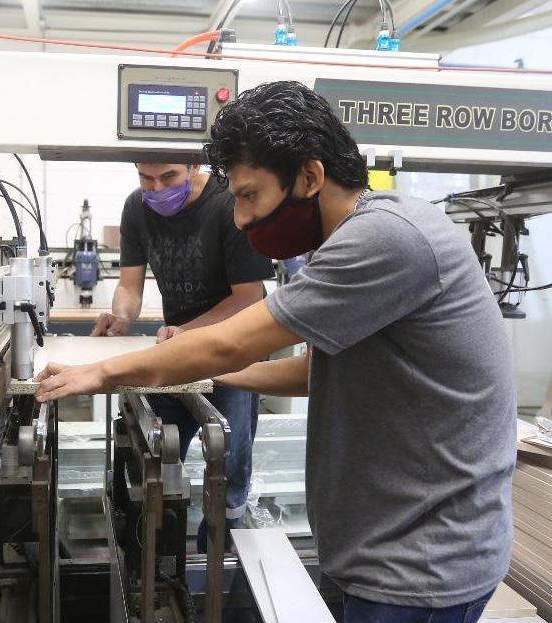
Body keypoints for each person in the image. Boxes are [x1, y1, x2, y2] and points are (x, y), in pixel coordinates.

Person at [38, 82, 515, 623]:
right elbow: (316, 371)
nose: (240, 218)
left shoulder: (386, 237)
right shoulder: (361, 232)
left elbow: (228, 340)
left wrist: (100, 373)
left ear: (309, 177)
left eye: (249, 196)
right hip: (384, 547)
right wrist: (219, 376)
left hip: (422, 566)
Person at [92, 162, 274, 552]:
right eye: (146, 178)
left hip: (234, 352)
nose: (156, 188)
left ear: (193, 166)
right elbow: (129, 286)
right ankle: (155, 557)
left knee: (229, 465)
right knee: (153, 454)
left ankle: (218, 558)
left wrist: (188, 332)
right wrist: (121, 314)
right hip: (176, 352)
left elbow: (248, 298)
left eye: (169, 177)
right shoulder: (136, 207)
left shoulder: (228, 203)